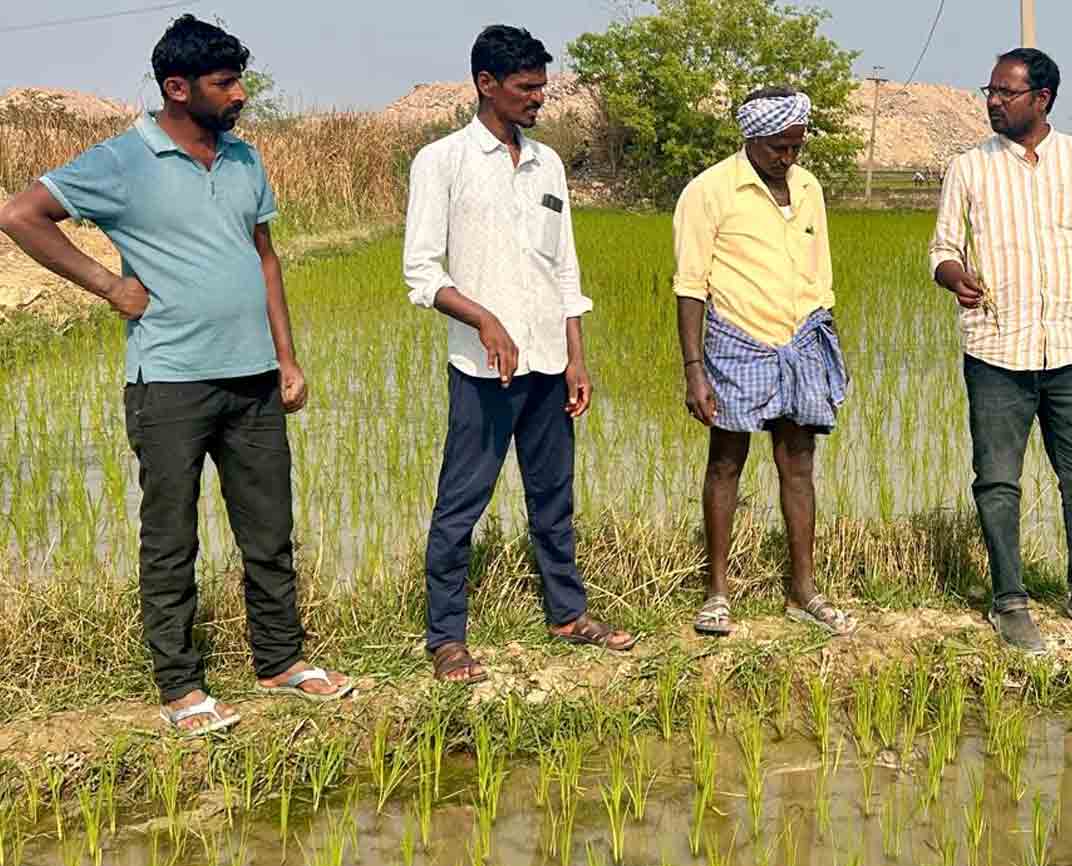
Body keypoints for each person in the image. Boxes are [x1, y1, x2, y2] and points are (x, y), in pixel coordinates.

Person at [0, 15, 351, 734]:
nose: (242, 94)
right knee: (171, 537)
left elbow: (266, 258)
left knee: (269, 529)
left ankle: (281, 660)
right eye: (226, 83)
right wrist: (108, 285)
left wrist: (287, 357)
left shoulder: (245, 160)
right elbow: (21, 215)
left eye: (240, 79)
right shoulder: (123, 160)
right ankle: (180, 688)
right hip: (169, 380)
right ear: (177, 87)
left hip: (254, 378)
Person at [403, 25, 636, 684]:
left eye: (543, 85)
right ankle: (446, 637)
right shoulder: (441, 161)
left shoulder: (548, 164)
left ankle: (567, 613)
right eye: (527, 86)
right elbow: (421, 273)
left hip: (547, 361)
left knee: (553, 496)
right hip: (483, 369)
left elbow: (564, 269)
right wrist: (483, 319)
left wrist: (576, 357)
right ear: (485, 84)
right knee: (460, 504)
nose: (540, 98)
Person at [929, 47, 1072, 654]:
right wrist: (952, 275)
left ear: (1040, 100)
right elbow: (941, 249)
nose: (992, 101)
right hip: (996, 351)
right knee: (997, 481)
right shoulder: (968, 168)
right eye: (988, 91)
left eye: (1004, 92)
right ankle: (1010, 602)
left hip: (1071, 348)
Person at [672, 86, 854, 638]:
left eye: (796, 146)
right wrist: (694, 368)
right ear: (751, 138)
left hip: (800, 338)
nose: (789, 157)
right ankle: (717, 593)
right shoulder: (709, 192)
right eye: (779, 146)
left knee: (798, 461)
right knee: (726, 461)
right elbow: (689, 285)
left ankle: (803, 591)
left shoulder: (808, 189)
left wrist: (826, 342)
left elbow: (819, 272)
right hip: (736, 340)